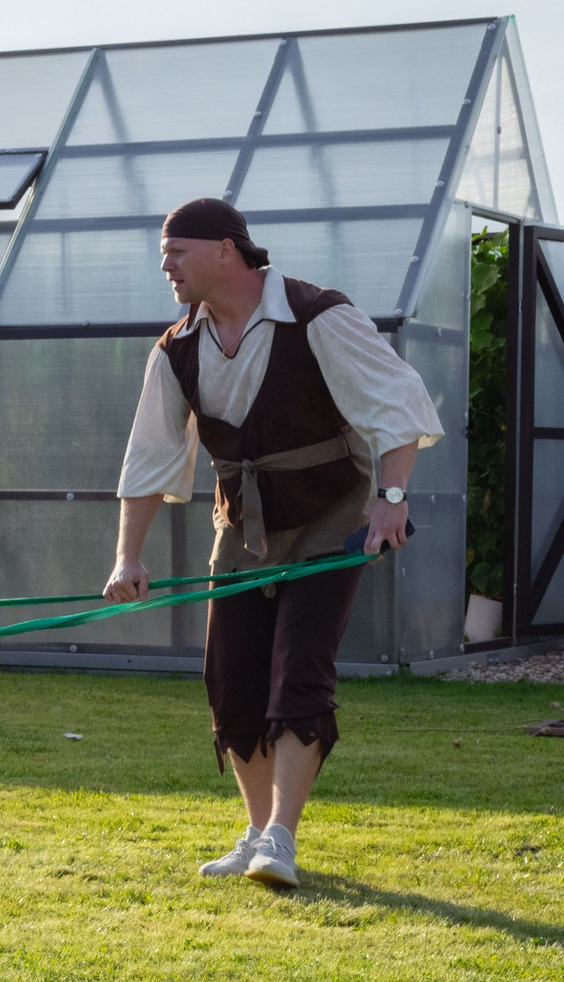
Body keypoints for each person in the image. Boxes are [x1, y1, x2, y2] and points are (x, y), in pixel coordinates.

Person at [103, 199, 441, 889]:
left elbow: (397, 403)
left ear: (227, 250)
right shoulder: (176, 350)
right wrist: (127, 557)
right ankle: (257, 831)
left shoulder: (319, 315)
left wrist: (391, 500)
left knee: (298, 672)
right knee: (230, 680)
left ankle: (282, 836)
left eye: (177, 252)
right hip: (242, 532)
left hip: (329, 519)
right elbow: (150, 458)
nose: (165, 266)